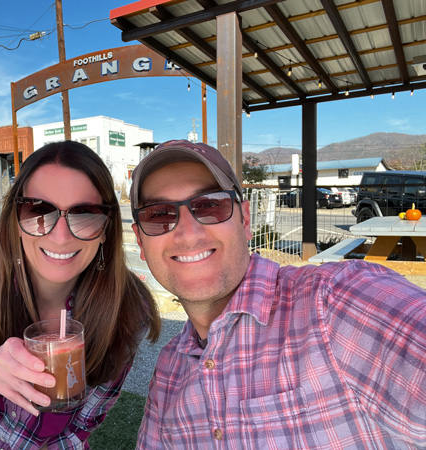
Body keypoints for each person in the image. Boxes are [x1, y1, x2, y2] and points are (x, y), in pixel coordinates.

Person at [130, 140, 426, 449]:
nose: (188, 233)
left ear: (245, 220)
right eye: (159, 214)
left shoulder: (336, 301)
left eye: (210, 205)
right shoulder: (169, 370)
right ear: (140, 240)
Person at [0, 140, 161, 449]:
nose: (60, 237)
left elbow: (81, 427)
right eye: (39, 209)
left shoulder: (128, 306)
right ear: (16, 220)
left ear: (105, 229)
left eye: (84, 213)